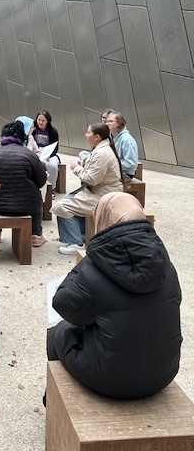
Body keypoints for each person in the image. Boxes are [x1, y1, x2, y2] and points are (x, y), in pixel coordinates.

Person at [47, 192, 182, 400]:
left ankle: (53, 400)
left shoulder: (95, 265)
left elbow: (63, 305)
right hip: (165, 373)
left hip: (111, 380)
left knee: (57, 332)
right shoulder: (165, 264)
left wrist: (86, 263)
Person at [51, 123, 123, 255]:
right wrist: (81, 163)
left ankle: (76, 242)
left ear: (96, 137)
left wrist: (77, 169)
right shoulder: (101, 149)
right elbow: (92, 164)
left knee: (62, 207)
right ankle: (80, 234)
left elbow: (92, 179)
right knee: (69, 198)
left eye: (88, 132)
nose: (86, 135)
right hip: (99, 192)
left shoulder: (103, 153)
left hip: (104, 196)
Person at [0, 120, 47, 247]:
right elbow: (41, 181)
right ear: (22, 136)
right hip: (26, 206)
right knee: (36, 194)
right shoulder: (30, 155)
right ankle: (36, 234)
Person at [32, 110, 60, 197]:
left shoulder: (53, 131)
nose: (40, 122)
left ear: (47, 121)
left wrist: (49, 155)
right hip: (36, 151)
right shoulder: (33, 130)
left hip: (49, 152)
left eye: (43, 120)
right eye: (39, 120)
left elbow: (55, 147)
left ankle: (51, 188)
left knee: (52, 165)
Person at [105, 111, 138, 180]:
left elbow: (131, 163)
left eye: (111, 121)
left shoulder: (127, 140)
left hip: (125, 173)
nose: (107, 124)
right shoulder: (111, 136)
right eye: (106, 121)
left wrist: (111, 164)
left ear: (119, 124)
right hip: (114, 170)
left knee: (96, 177)